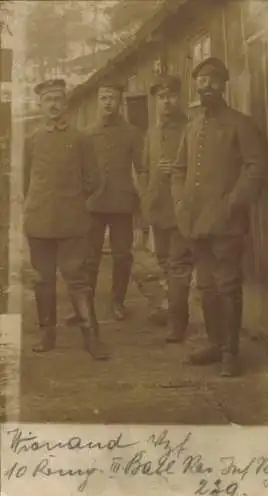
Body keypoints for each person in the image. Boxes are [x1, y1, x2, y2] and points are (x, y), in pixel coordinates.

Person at [171, 57, 268, 376]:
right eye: (201, 80)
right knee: (206, 286)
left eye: (213, 80)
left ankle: (230, 352)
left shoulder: (241, 123)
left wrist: (232, 202)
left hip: (227, 222)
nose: (206, 85)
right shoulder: (191, 126)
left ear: (224, 84)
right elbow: (178, 170)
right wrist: (181, 202)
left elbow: (256, 166)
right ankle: (214, 344)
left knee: (228, 285)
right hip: (195, 221)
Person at [23, 78, 108, 360]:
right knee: (42, 281)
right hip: (39, 224)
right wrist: (39, 205)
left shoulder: (80, 139)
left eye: (58, 99)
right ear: (40, 104)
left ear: (65, 104)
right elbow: (26, 182)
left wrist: (71, 203)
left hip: (72, 224)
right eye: (48, 100)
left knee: (78, 281)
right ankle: (47, 335)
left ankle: (91, 337)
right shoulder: (32, 140)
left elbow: (93, 180)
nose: (53, 105)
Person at [66, 76, 145, 322]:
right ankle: (84, 306)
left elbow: (142, 169)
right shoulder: (86, 134)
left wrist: (142, 202)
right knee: (89, 257)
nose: (108, 102)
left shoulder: (132, 133)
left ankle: (117, 302)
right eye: (103, 98)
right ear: (98, 102)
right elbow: (77, 171)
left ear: (120, 101)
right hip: (94, 205)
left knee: (122, 255)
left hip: (122, 204)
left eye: (112, 97)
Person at [142, 74, 193, 342]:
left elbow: (199, 169)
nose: (166, 101)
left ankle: (178, 322)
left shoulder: (190, 127)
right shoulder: (152, 132)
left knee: (178, 265)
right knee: (163, 262)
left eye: (171, 96)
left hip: (180, 209)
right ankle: (169, 308)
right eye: (161, 97)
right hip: (158, 208)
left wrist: (176, 169)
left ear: (179, 97)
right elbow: (145, 169)